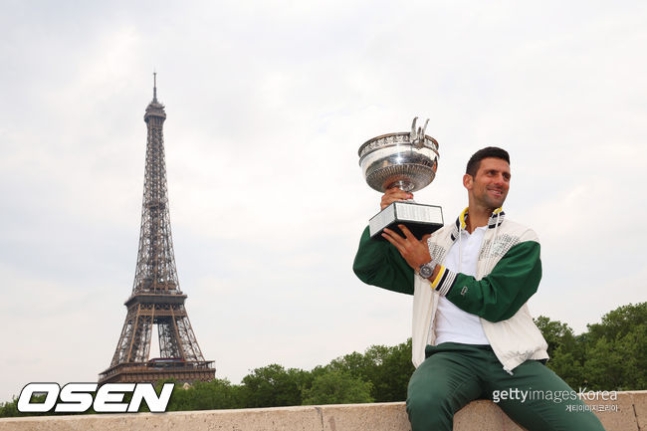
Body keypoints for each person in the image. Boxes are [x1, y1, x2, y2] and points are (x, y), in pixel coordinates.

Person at [353, 147, 605, 431]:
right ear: (468, 181)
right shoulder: (433, 242)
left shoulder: (521, 239)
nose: (501, 180)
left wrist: (431, 270)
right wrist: (385, 216)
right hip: (450, 358)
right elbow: (369, 268)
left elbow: (496, 302)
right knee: (426, 402)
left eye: (506, 176)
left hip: (512, 360)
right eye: (491, 173)